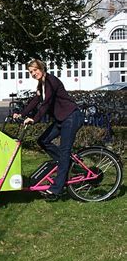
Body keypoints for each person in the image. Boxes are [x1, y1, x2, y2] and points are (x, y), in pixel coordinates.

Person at [13, 59, 84, 200]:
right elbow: (35, 100)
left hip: (71, 117)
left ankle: (56, 189)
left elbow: (46, 104)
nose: (33, 73)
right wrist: (22, 114)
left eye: (35, 70)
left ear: (41, 68)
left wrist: (34, 119)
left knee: (64, 152)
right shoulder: (42, 83)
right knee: (43, 140)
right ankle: (68, 165)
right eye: (31, 72)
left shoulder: (51, 81)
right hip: (61, 119)